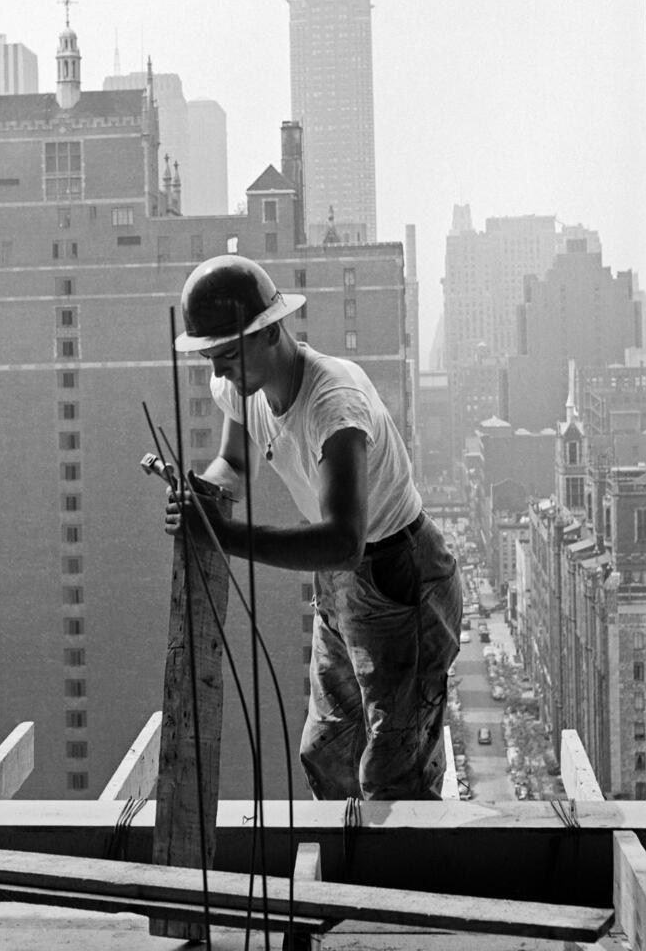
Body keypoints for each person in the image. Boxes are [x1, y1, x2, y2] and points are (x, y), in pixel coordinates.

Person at [165, 253, 462, 801]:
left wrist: (224, 536)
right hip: (340, 585)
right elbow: (233, 464)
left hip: (399, 579)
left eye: (226, 355)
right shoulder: (242, 387)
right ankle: (356, 872)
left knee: (395, 777)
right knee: (327, 750)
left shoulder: (334, 405)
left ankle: (398, 883)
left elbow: (343, 541)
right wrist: (203, 495)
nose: (218, 372)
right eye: (210, 358)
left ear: (271, 331)